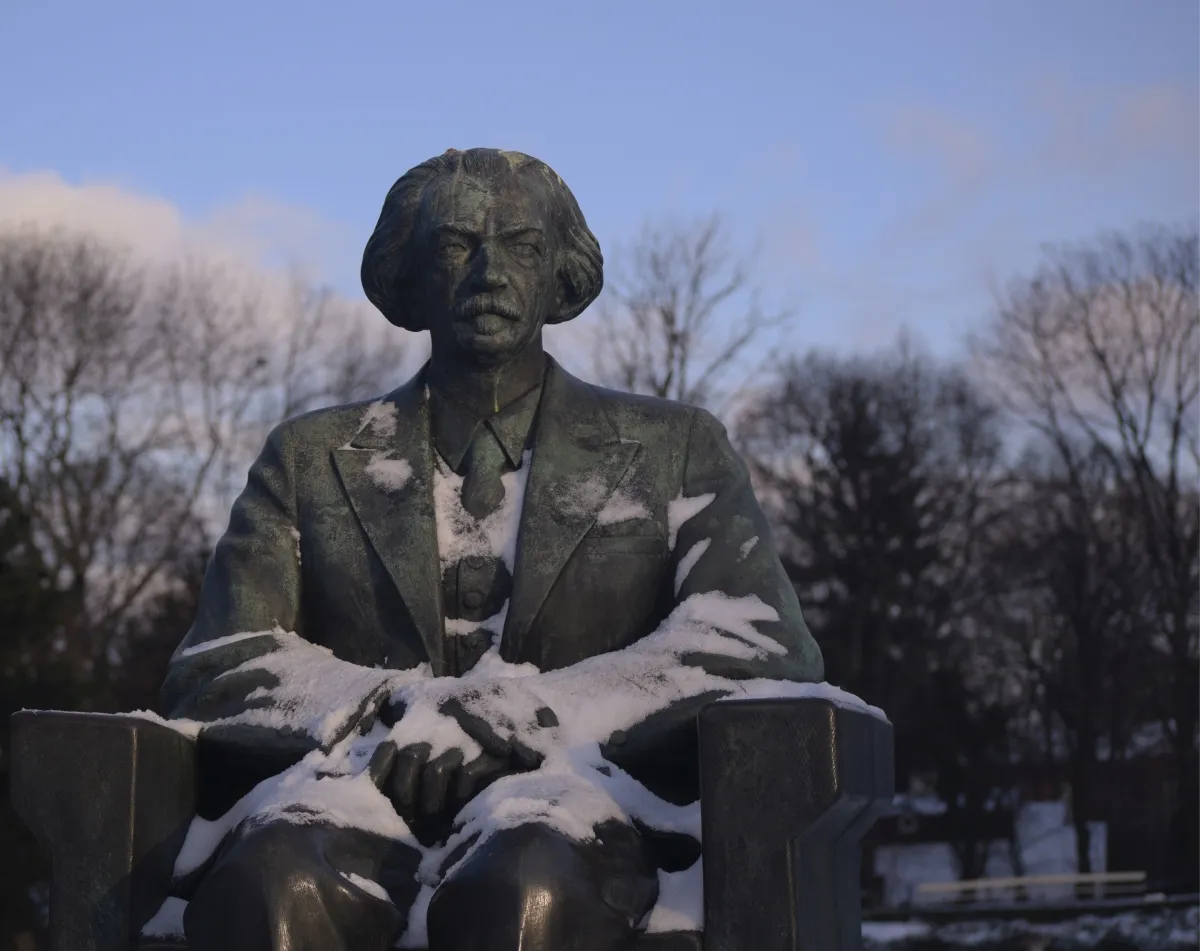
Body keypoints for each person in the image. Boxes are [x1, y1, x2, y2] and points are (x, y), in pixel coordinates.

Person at [162, 147, 823, 951]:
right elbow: (223, 657)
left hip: (579, 808)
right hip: (351, 801)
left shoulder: (673, 448)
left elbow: (755, 638)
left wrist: (551, 710)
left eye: (521, 244)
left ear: (560, 275)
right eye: (455, 245)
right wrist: (389, 708)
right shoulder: (309, 458)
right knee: (276, 885)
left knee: (525, 888)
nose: (489, 272)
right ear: (408, 274)